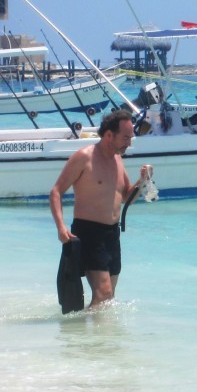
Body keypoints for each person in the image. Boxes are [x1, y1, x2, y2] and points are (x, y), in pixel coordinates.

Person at [49, 109, 153, 309]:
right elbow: (56, 192)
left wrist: (143, 181)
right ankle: (84, 338)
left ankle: (93, 337)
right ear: (108, 135)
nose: (129, 143)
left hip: (112, 235)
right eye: (125, 138)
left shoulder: (117, 159)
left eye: (130, 138)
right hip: (89, 233)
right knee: (104, 294)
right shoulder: (84, 157)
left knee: (108, 298)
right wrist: (61, 228)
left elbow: (125, 198)